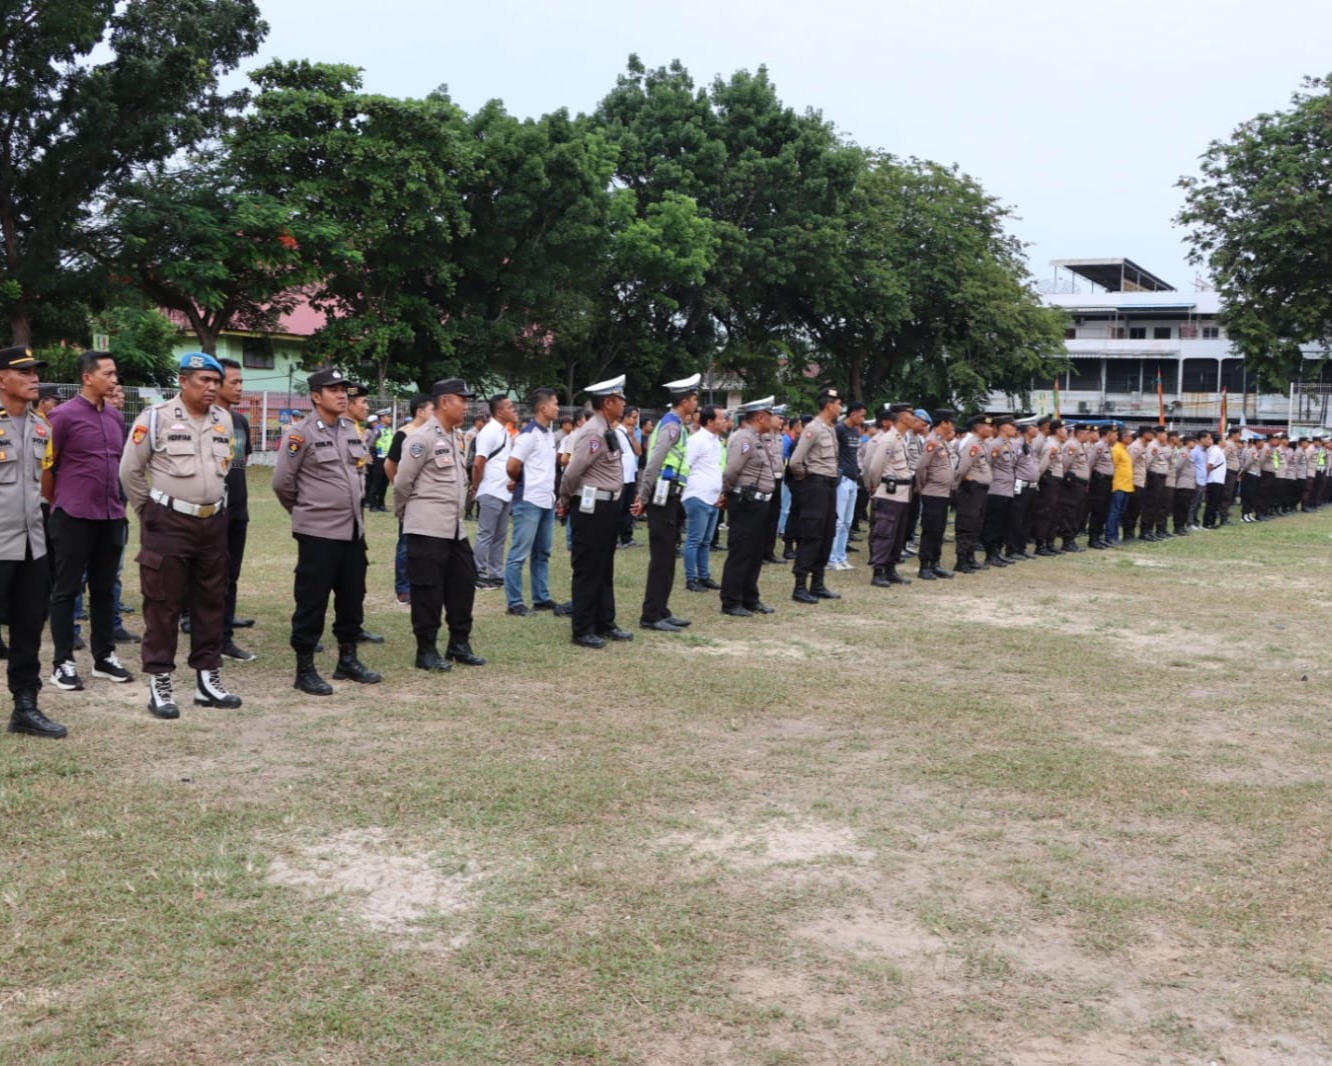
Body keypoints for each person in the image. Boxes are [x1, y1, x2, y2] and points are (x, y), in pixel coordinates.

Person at [120, 352, 242, 718]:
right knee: (163, 604)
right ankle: (160, 682)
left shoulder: (224, 419)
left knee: (211, 602)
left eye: (215, 381)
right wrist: (151, 513)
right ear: (183, 381)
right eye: (203, 380)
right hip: (169, 523)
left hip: (212, 523)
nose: (211, 387)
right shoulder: (155, 418)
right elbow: (130, 472)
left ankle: (208, 680)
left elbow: (226, 470)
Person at [272, 368, 381, 696]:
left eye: (343, 389)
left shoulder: (350, 428)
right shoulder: (299, 433)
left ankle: (347, 659)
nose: (341, 394)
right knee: (312, 600)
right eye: (333, 390)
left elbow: (357, 472)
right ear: (316, 396)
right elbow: (282, 483)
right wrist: (306, 511)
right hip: (318, 533)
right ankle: (304, 668)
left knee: (352, 598)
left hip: (352, 532)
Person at [46, 350, 132, 693]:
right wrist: (61, 504)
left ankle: (104, 656)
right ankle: (62, 662)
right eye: (108, 374)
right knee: (66, 591)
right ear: (87, 377)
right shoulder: (62, 417)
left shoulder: (114, 417)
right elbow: (48, 469)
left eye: (115, 374)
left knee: (104, 590)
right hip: (73, 516)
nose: (114, 380)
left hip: (110, 515)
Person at [393, 379, 485, 671]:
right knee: (427, 591)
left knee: (463, 583)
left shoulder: (454, 435)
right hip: (427, 527)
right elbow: (403, 481)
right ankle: (427, 650)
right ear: (445, 402)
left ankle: (459, 643)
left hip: (454, 529)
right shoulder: (422, 438)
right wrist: (406, 515)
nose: (466, 406)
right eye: (463, 400)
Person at [0, 346, 66, 738]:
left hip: (32, 545)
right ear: (2, 378)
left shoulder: (44, 427)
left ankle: (25, 707)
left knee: (27, 629)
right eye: (23, 372)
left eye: (35, 372)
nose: (33, 378)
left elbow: (43, 483)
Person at [557, 375, 637, 648]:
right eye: (621, 400)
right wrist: (564, 500)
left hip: (607, 505)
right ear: (609, 402)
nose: (624, 405)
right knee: (589, 568)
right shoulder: (593, 431)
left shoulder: (607, 429)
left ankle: (604, 621)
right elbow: (573, 471)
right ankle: (583, 628)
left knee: (604, 566)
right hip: (591, 507)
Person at [638, 374, 700, 631]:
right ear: (685, 400)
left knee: (668, 555)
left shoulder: (678, 425)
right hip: (661, 496)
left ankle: (662, 609)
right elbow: (653, 463)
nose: (696, 403)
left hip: (671, 495)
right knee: (662, 557)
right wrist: (643, 496)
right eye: (695, 398)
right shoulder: (671, 427)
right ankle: (651, 615)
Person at [719, 397, 779, 616]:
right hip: (746, 502)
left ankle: (749, 598)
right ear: (761, 417)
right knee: (741, 552)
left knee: (754, 553)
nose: (773, 419)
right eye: (770, 415)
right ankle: (731, 601)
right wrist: (725, 494)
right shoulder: (744, 439)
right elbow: (731, 471)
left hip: (759, 503)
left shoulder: (759, 438)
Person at [503, 387, 560, 616]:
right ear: (543, 407)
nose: (557, 407)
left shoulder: (548, 434)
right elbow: (512, 465)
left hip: (546, 500)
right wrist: (518, 481)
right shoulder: (528, 435)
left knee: (542, 552)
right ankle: (514, 602)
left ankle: (541, 597)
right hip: (529, 500)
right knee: (519, 553)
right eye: (555, 403)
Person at [215, 358, 256, 662]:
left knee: (230, 576)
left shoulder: (240, 422)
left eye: (241, 382)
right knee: (205, 576)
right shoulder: (203, 419)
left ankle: (224, 637)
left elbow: (242, 461)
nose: (240, 388)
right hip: (209, 512)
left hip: (237, 510)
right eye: (234, 382)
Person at [788, 388, 844, 603]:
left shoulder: (831, 428)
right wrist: (807, 479)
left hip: (829, 486)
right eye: (838, 403)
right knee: (811, 534)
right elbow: (795, 461)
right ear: (829, 404)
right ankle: (800, 585)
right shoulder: (813, 428)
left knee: (827, 533)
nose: (840, 408)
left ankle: (817, 583)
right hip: (816, 485)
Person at [385, 394, 433, 605]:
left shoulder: (433, 434)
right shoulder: (404, 435)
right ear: (420, 411)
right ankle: (403, 588)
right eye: (433, 409)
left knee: (428, 544)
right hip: (410, 497)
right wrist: (399, 487)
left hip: (430, 498)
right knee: (406, 544)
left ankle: (421, 584)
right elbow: (389, 464)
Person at [863, 403, 915, 586]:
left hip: (901, 494)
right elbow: (874, 467)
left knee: (898, 535)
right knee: (884, 534)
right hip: (888, 493)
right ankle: (878, 571)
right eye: (910, 414)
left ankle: (890, 569)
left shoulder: (901, 438)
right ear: (901, 418)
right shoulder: (888, 439)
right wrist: (874, 487)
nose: (914, 417)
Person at [471, 396, 517, 590]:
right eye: (510, 407)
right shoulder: (489, 432)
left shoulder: (504, 431)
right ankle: (478, 574)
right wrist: (475, 486)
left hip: (504, 490)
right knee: (486, 534)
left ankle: (496, 574)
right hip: (491, 490)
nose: (513, 409)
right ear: (499, 412)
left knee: (499, 536)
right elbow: (478, 463)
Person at [682, 404, 725, 595]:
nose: (724, 421)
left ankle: (704, 576)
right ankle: (691, 578)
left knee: (706, 541)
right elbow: (686, 466)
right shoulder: (697, 440)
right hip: (698, 495)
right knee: (694, 539)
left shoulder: (717, 441)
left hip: (713, 497)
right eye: (721, 418)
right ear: (710, 421)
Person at [913, 409, 956, 580]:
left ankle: (935, 563)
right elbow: (921, 467)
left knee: (939, 530)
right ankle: (924, 566)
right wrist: (923, 486)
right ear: (944, 423)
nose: (953, 425)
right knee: (930, 530)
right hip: (933, 492)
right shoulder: (931, 441)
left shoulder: (941, 441)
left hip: (943, 493)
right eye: (951, 422)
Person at [952, 413, 994, 572]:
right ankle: (961, 560)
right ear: (978, 428)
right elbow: (962, 468)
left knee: (976, 525)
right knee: (967, 525)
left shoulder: (981, 444)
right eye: (987, 426)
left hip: (980, 491)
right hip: (971, 490)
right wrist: (958, 487)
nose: (990, 429)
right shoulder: (973, 444)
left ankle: (970, 557)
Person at [829, 401, 866, 571]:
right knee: (837, 520)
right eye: (862, 415)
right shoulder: (840, 429)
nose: (863, 418)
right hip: (842, 478)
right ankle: (831, 558)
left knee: (847, 521)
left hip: (853, 478)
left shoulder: (854, 431)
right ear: (852, 414)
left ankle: (841, 555)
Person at [617, 406, 643, 547]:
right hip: (620, 476)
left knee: (628, 507)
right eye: (633, 417)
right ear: (625, 417)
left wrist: (632, 436)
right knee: (618, 508)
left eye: (636, 417)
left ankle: (627, 537)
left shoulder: (630, 434)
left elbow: (638, 452)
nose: (635, 420)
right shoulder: (617, 432)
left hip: (630, 475)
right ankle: (615, 537)